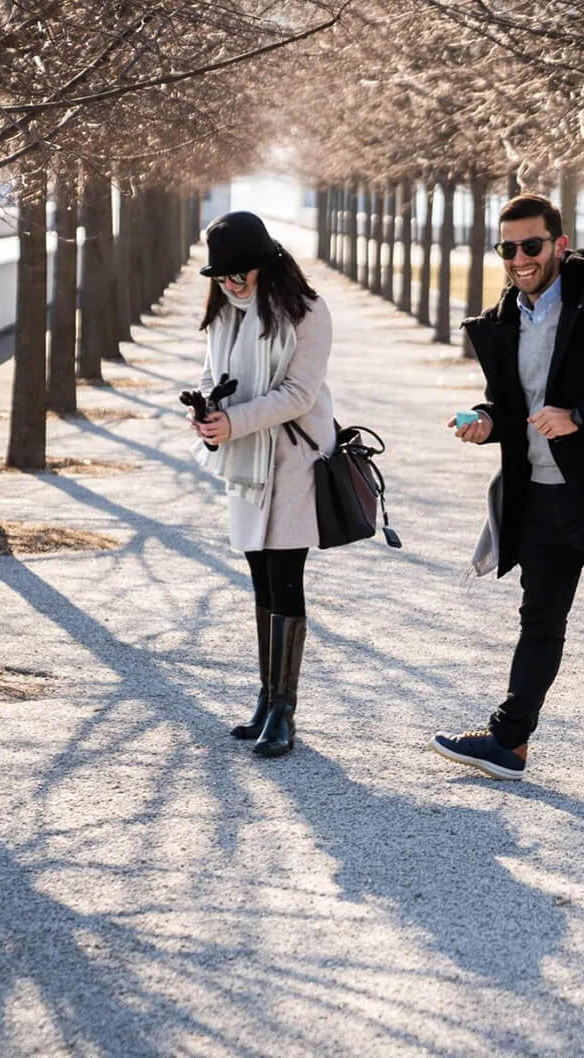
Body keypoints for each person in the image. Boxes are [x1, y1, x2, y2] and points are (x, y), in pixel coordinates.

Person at [432, 193, 584, 799]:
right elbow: (510, 402)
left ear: (559, 245)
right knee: (539, 621)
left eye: (531, 245)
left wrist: (581, 416)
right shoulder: (506, 315)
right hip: (541, 495)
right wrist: (488, 422)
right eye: (507, 247)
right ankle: (509, 741)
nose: (519, 258)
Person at [189, 210, 334, 758]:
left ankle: (284, 711)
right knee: (259, 579)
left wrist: (235, 421)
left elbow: (299, 393)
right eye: (222, 275)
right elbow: (210, 375)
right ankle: (265, 697)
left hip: (294, 458)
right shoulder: (225, 312)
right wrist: (207, 417)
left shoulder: (308, 311)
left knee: (285, 575)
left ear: (264, 265)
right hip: (244, 462)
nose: (230, 283)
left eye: (238, 273)